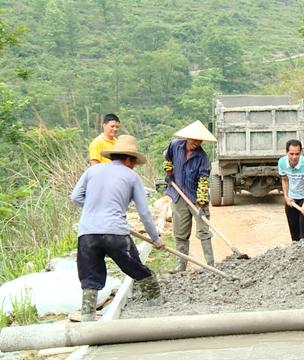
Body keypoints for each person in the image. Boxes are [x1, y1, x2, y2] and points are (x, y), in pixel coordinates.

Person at [70, 135, 165, 321]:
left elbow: (75, 197)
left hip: (87, 232)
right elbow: (144, 212)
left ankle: (88, 316)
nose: (134, 166)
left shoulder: (93, 171)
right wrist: (155, 239)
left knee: (90, 276)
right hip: (115, 232)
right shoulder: (131, 176)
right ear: (129, 159)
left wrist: (94, 208)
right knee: (136, 268)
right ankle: (156, 304)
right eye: (134, 162)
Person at [164, 120, 216, 270]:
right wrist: (169, 172)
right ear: (187, 137)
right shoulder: (175, 146)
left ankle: (210, 265)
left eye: (200, 140)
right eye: (194, 139)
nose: (197, 142)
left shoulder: (202, 157)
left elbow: (203, 181)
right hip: (178, 196)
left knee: (204, 232)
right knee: (180, 234)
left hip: (196, 198)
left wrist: (201, 203)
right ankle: (180, 267)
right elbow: (167, 158)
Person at [278, 139, 304, 242]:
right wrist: (286, 197)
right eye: (291, 154)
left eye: (297, 154)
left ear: (301, 153)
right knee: (293, 228)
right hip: (292, 197)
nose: (294, 157)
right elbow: (284, 179)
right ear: (286, 152)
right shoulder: (281, 162)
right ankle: (295, 251)